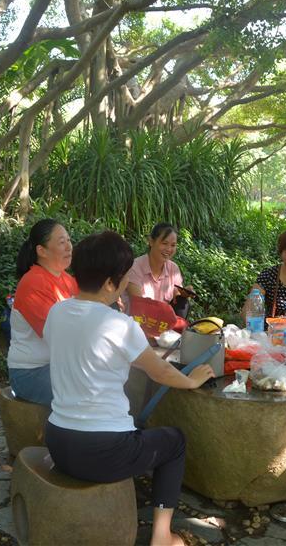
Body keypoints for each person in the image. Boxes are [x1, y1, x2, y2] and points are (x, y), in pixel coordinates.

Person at [43, 231, 214, 546]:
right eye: (123, 278)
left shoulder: (57, 312)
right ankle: (162, 536)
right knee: (174, 441)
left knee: (137, 425)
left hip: (58, 441)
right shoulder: (119, 325)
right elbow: (160, 370)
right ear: (110, 283)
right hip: (102, 452)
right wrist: (192, 380)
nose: (126, 284)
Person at [6, 219, 78, 406]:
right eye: (61, 242)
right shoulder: (32, 283)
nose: (69, 247)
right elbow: (59, 335)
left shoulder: (67, 280)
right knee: (88, 391)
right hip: (31, 372)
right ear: (42, 251)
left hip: (58, 366)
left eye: (69, 240)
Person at [126, 223, 194, 318]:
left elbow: (176, 300)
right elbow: (140, 306)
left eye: (173, 245)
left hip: (162, 322)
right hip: (137, 322)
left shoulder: (173, 269)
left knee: (183, 303)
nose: (169, 249)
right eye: (164, 243)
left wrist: (183, 294)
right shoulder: (135, 267)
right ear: (151, 242)